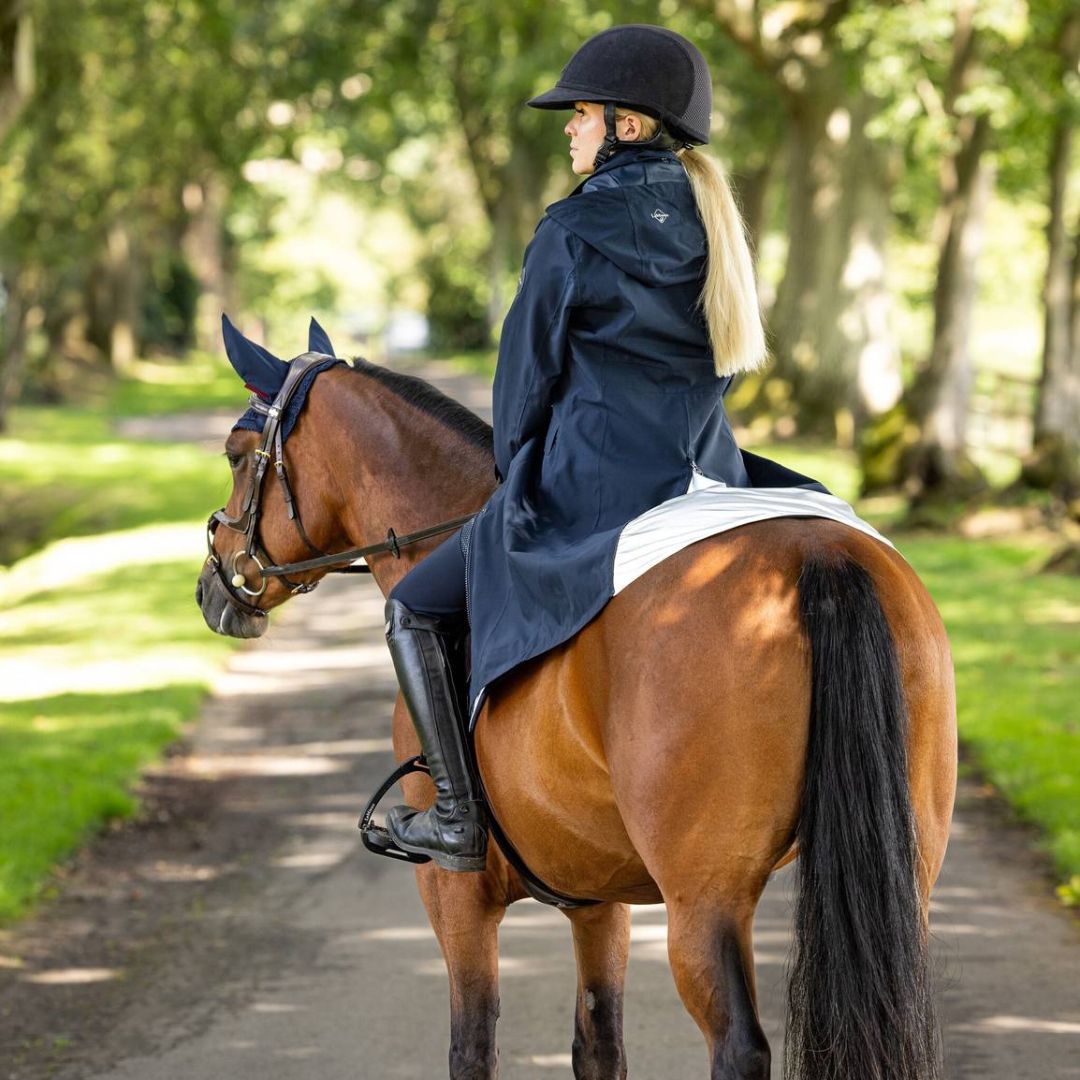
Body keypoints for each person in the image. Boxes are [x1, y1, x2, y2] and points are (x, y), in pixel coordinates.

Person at [381, 24, 808, 873]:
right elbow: (722, 372)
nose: (569, 129)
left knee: (414, 608)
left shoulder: (573, 229)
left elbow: (523, 387)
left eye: (580, 113)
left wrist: (517, 472)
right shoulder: (716, 224)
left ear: (629, 125)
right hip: (709, 476)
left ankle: (458, 818)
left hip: (595, 491)